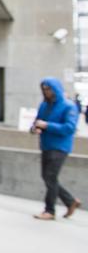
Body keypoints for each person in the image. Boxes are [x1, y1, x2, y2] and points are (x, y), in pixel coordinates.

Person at [31, 78, 82, 220]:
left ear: (56, 89)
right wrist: (35, 128)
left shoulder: (69, 106)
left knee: (50, 177)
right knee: (47, 177)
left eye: (49, 89)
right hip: (46, 145)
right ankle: (70, 201)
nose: (47, 92)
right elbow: (36, 122)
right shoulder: (44, 106)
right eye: (44, 89)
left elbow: (69, 128)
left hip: (60, 147)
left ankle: (50, 210)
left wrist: (47, 126)